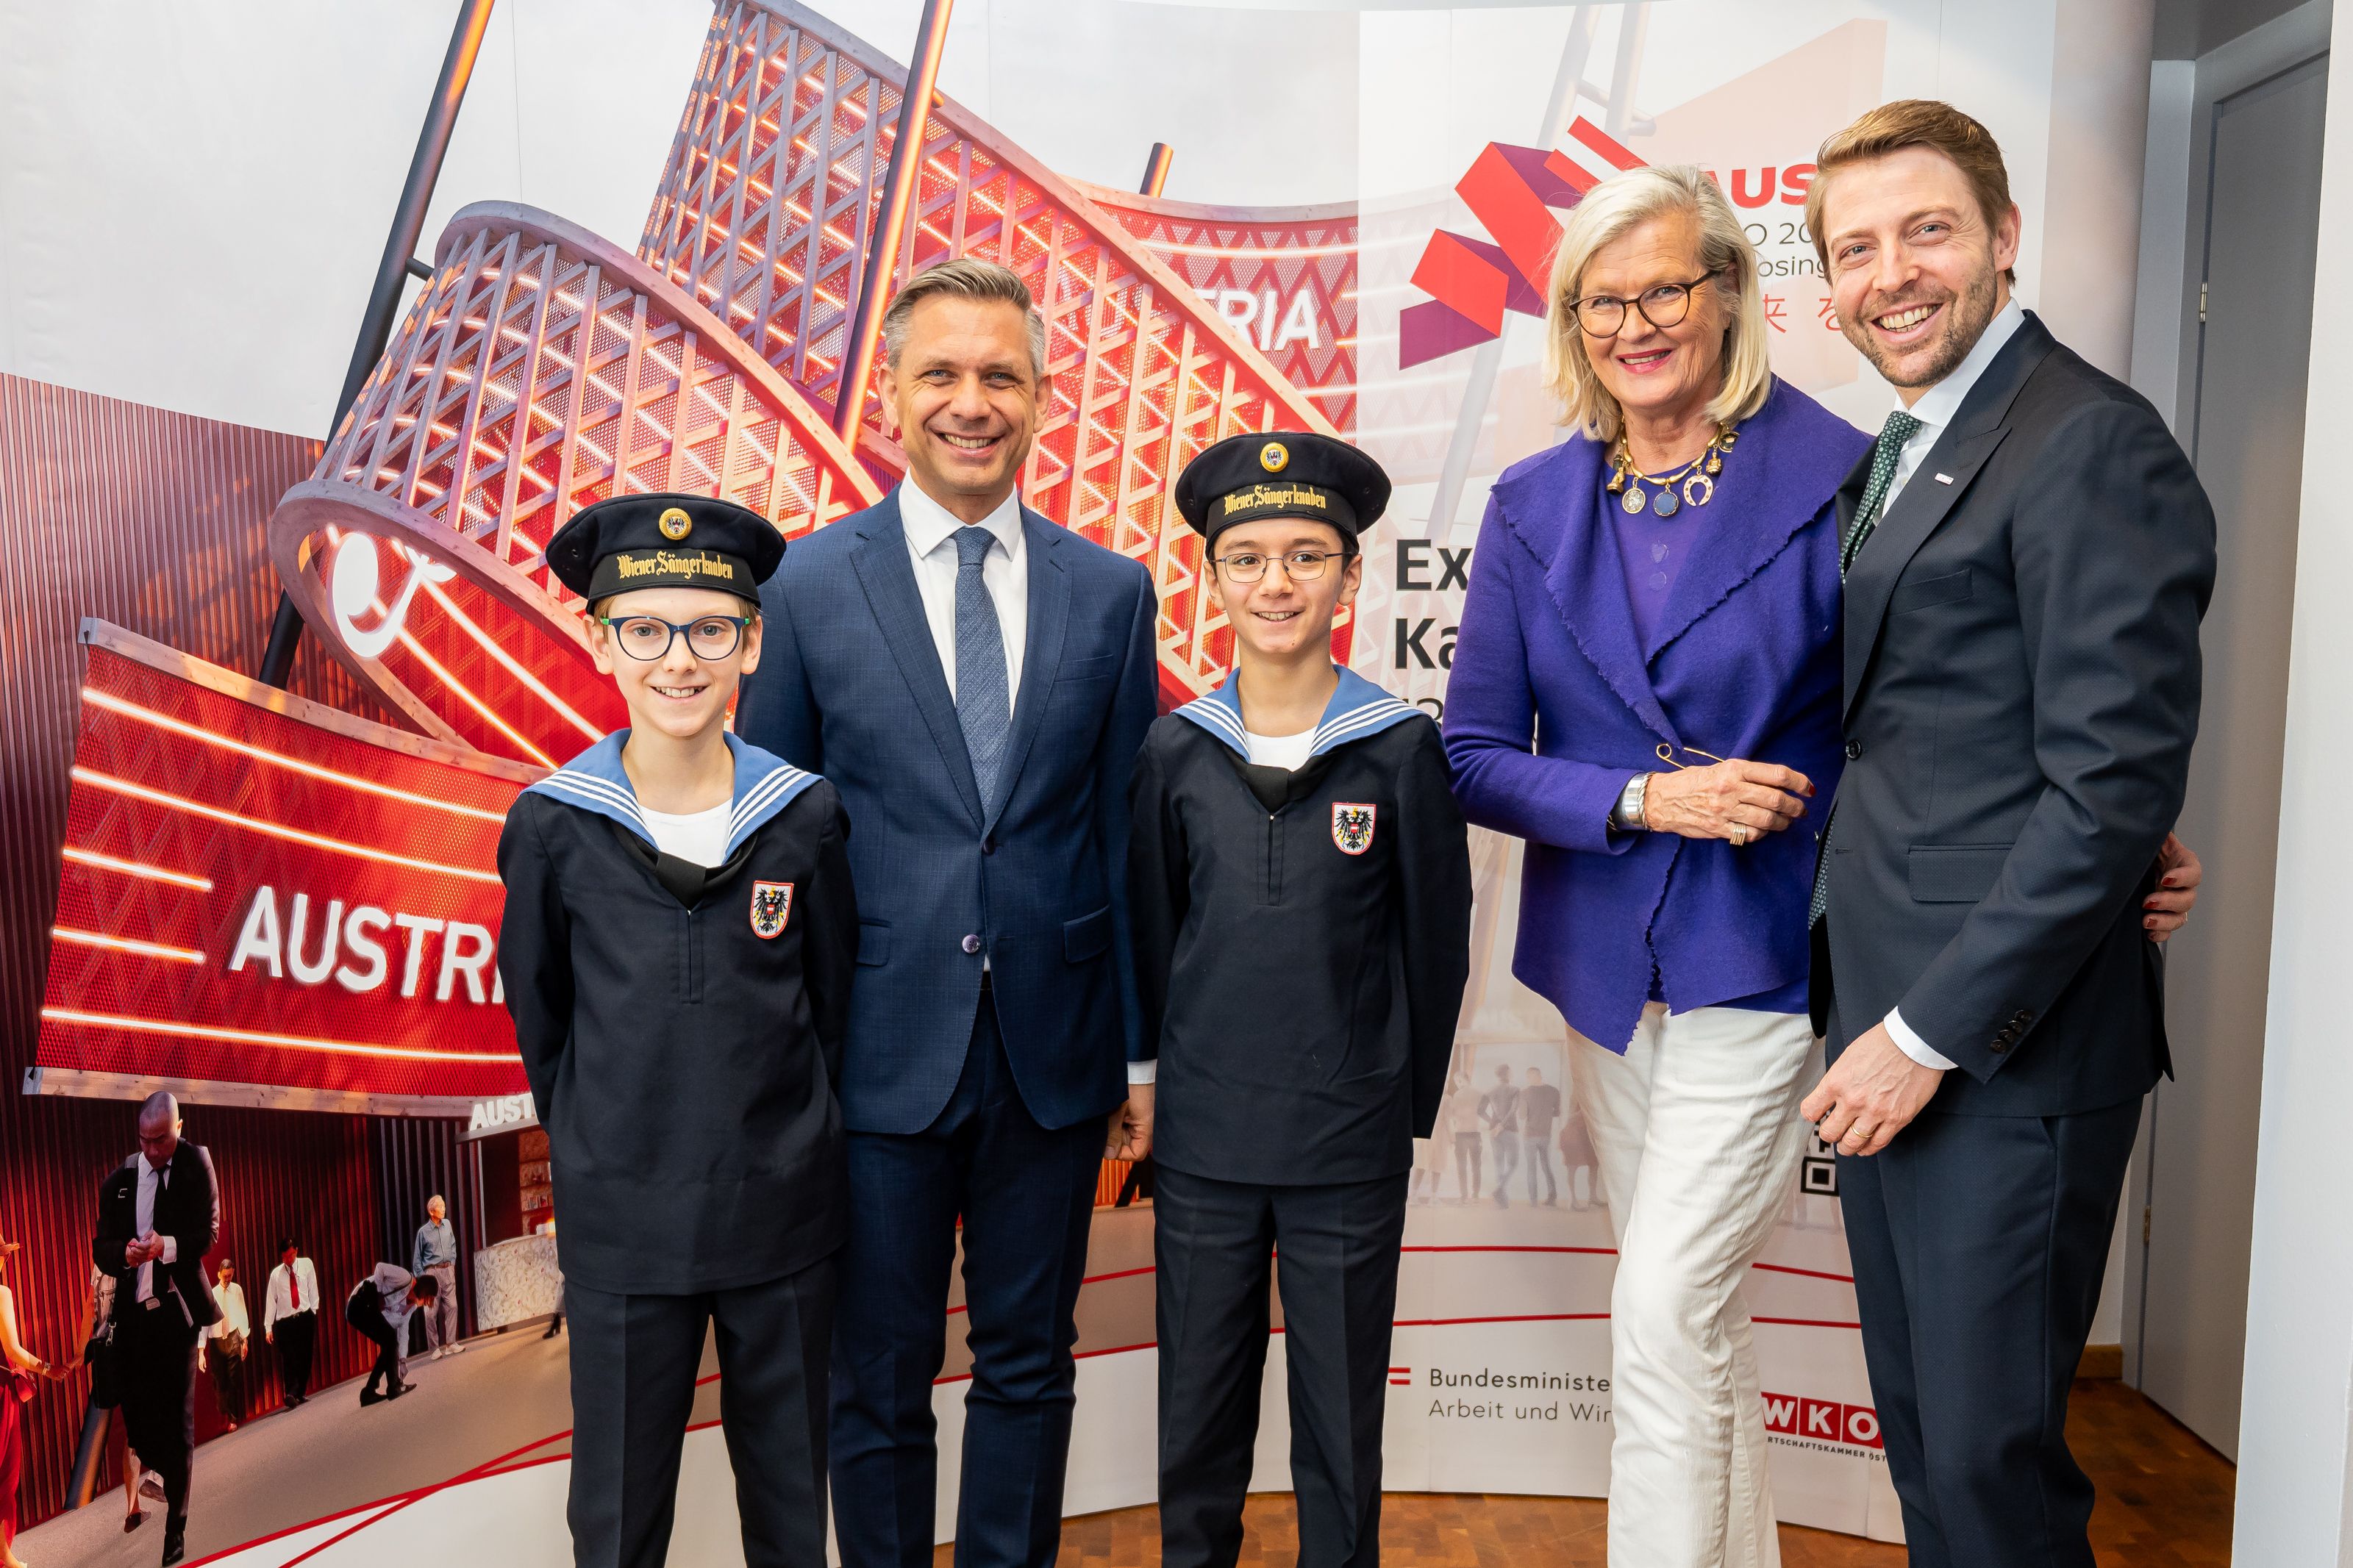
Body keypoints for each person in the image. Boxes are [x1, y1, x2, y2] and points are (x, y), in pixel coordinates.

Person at [1442, 160, 2206, 1567]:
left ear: (1732, 293)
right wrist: (1642, 800)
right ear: (1570, 322)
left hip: (1773, 948)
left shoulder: (1845, 470)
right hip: (1602, 966)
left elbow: (1938, 699)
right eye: (1603, 299)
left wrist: (2117, 830)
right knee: (1697, 1325)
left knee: (1666, 1311)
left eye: (1669, 284)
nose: (1638, 321)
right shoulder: (1533, 500)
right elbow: (1473, 750)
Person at [1794, 101, 2215, 1568]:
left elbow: (2106, 784)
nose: (1892, 274)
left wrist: (1919, 1034)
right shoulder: (1904, 448)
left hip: (1992, 1048)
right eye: (1856, 248)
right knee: (1933, 1450)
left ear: (2002, 238)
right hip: (1904, 1026)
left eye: (1927, 230)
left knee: (1988, 1472)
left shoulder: (2088, 440)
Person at [733, 257, 1158, 1568]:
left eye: (1001, 376)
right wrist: (782, 1058)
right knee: (879, 1375)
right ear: (894, 397)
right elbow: (776, 848)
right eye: (943, 373)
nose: (972, 402)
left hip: (1056, 1049)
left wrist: (1141, 1050)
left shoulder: (1112, 591)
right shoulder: (806, 587)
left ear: (1040, 400)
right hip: (872, 1055)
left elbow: (1123, 838)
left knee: (1031, 1363)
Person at [1131, 430, 1473, 1568]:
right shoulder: (1175, 752)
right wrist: (1153, 1092)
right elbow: (1156, 934)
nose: (1277, 581)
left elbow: (1436, 949)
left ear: (1351, 574)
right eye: (1248, 557)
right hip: (1207, 1141)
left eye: (1307, 554)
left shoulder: (1399, 751)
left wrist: (1397, 1109)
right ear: (1213, 575)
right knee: (1199, 1414)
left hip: (1345, 1143)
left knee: (1340, 1424)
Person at [496, 491, 857, 1568]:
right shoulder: (553, 825)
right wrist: (603, 1150)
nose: (679, 661)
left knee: (792, 1512)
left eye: (709, 629)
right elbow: (544, 1020)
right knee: (615, 1522)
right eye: (645, 629)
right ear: (601, 639)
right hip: (624, 1231)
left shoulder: (804, 816)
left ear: (750, 640)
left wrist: (797, 1140)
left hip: (782, 1220)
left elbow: (831, 1005)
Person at [90, 1091, 218, 1567]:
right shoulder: (119, 1182)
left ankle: (176, 1532)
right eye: (144, 1140)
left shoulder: (195, 1164)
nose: (152, 1150)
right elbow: (101, 1247)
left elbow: (207, 1234)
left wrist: (166, 1245)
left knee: (180, 1423)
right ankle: (163, 1469)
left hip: (179, 1311)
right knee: (139, 1425)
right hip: (133, 1320)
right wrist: (123, 1253)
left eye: (161, 1139)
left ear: (179, 1127)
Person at [1, 1236, 71, 1568]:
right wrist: (47, 1368)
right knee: (5, 1475)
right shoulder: (2, 1294)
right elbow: (13, 1350)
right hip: (0, 1396)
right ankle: (4, 1557)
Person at [68, 1261, 151, 1532]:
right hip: (132, 1353)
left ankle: (133, 1508)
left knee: (133, 1430)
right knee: (141, 1429)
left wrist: (81, 1353)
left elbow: (89, 1308)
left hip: (106, 1356)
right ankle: (155, 1482)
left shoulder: (98, 1266)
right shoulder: (137, 1254)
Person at [345, 1264, 435, 1408]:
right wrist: (379, 1293)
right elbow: (380, 1268)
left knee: (389, 1343)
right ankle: (393, 1387)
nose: (422, 1304)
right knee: (390, 1340)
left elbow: (403, 1333)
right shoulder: (405, 1278)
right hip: (359, 1303)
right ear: (423, 1291)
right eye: (425, 1300)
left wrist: (403, 1361)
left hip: (366, 1309)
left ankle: (369, 1392)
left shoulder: (410, 1306)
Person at [262, 1239, 318, 1408]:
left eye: (292, 1255)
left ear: (297, 1250)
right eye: (285, 1257)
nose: (289, 1260)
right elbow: (271, 1300)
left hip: (305, 1316)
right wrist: (268, 1327)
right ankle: (291, 1393)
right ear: (282, 1256)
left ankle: (300, 1392)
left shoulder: (307, 1264)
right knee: (289, 1358)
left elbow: (313, 1288)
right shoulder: (276, 1274)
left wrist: (314, 1311)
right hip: (285, 1323)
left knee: (306, 1356)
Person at [196, 1259, 249, 1430]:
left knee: (234, 1379)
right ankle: (224, 1408)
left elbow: (242, 1313)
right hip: (217, 1341)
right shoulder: (211, 1294)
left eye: (230, 1276)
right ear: (219, 1274)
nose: (227, 1279)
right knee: (221, 1382)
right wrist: (201, 1352)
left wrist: (245, 1339)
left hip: (234, 1337)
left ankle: (233, 1419)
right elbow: (204, 1324)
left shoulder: (237, 1290)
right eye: (225, 1276)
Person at [413, 1198, 463, 1361]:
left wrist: (452, 1263)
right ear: (431, 1211)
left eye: (444, 1206)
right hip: (431, 1274)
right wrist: (423, 1279)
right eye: (440, 1207)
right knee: (430, 1313)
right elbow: (417, 1260)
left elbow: (453, 1245)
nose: (444, 1209)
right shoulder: (423, 1232)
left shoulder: (447, 1224)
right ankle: (434, 1349)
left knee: (452, 1306)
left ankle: (450, 1344)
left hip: (447, 1270)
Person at [1478, 1064, 1521, 1209]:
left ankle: (1502, 1200)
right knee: (1513, 1163)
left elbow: (1480, 1111)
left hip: (1494, 1131)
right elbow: (1513, 1110)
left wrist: (1494, 1123)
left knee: (1499, 1165)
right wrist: (1502, 1125)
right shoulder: (1515, 1090)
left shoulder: (1490, 1090)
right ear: (1508, 1073)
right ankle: (1499, 1190)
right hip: (1509, 1129)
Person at [1519, 1067, 1563, 1207]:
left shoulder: (1524, 1093)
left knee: (1531, 1169)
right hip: (1545, 1134)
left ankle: (1533, 1201)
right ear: (1540, 1075)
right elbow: (1557, 1112)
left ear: (1529, 1077)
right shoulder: (1554, 1091)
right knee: (1546, 1166)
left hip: (1530, 1135)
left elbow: (1522, 1115)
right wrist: (1546, 1114)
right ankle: (1552, 1197)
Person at [1443, 1070, 1481, 1204]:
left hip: (1461, 1133)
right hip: (1476, 1132)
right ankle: (1475, 1196)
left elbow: (1454, 1114)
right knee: (1476, 1166)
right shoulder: (1478, 1093)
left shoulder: (1458, 1095)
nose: (1456, 1084)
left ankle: (1464, 1196)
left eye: (1456, 1082)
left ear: (1460, 1079)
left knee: (1462, 1166)